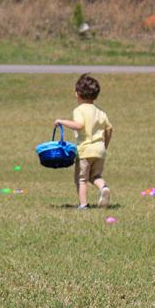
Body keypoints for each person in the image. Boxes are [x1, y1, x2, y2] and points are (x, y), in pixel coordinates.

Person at [54, 74, 113, 209]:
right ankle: (103, 187)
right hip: (100, 151)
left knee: (81, 179)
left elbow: (79, 125)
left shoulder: (79, 110)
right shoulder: (100, 112)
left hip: (85, 151)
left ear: (78, 94)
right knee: (95, 175)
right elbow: (109, 129)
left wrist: (61, 121)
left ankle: (83, 205)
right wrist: (105, 145)